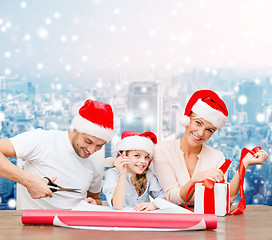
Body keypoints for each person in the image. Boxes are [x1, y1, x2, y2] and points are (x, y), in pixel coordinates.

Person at [153, 90, 269, 207]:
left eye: (209, 130)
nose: (200, 133)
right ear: (188, 119)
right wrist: (195, 180)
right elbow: (173, 198)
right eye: (198, 123)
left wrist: (245, 163)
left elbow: (225, 200)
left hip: (207, 221)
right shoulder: (163, 150)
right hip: (173, 220)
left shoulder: (217, 157)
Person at [0, 99, 114, 209]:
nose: (92, 150)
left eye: (99, 145)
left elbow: (94, 197)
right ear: (76, 129)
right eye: (88, 141)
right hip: (34, 225)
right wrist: (28, 181)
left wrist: (94, 203)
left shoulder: (97, 158)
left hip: (74, 225)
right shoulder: (42, 139)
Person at [102, 131, 165, 211]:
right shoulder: (112, 174)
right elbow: (117, 206)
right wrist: (122, 175)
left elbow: (163, 196)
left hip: (142, 220)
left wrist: (154, 204)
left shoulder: (147, 174)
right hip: (119, 220)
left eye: (146, 157)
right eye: (137, 155)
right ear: (123, 155)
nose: (143, 161)